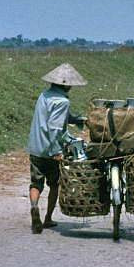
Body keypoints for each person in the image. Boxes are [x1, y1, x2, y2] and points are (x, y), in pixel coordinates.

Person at [27, 63, 87, 234]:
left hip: (36, 148)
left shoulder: (44, 95)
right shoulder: (62, 101)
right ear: (66, 84)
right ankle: (47, 218)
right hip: (50, 151)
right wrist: (57, 152)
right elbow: (54, 127)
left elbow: (60, 119)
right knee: (54, 184)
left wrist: (77, 120)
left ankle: (34, 206)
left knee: (36, 183)